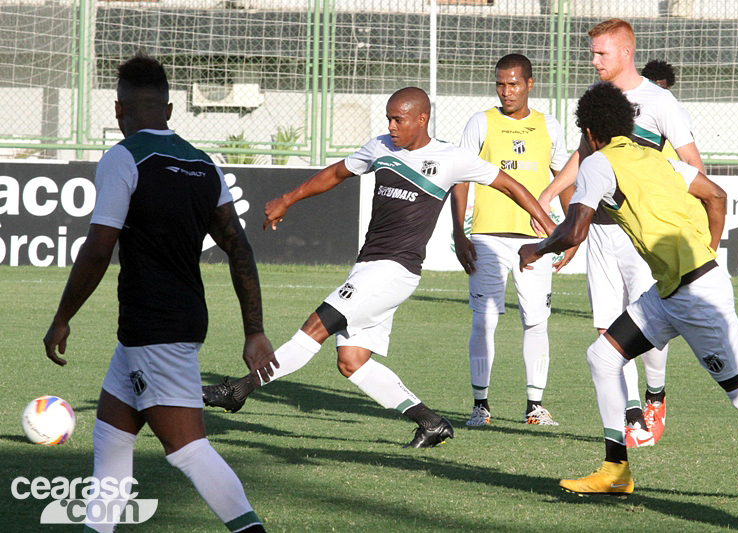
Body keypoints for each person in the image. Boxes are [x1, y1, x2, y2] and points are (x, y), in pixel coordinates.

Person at [202, 86, 557, 448]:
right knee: (351, 361)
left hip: (394, 270)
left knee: (315, 327)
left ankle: (239, 390)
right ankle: (431, 423)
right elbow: (338, 173)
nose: (391, 126)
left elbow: (510, 186)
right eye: (388, 118)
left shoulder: (451, 158)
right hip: (368, 267)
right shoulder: (380, 148)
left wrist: (549, 229)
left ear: (422, 119)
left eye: (398, 119)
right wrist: (288, 199)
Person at [519, 81, 738, 494]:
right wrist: (708, 251)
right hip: (670, 292)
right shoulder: (653, 157)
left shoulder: (598, 163)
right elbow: (716, 196)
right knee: (602, 356)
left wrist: (537, 247)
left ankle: (617, 469)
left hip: (695, 296)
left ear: (590, 133)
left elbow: (575, 230)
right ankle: (615, 471)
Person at [42, 54, 275, 532]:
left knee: (188, 451)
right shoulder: (202, 163)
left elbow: (98, 248)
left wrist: (62, 317)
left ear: (117, 110)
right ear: (169, 111)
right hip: (156, 329)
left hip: (156, 329)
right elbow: (240, 247)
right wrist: (255, 331)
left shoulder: (123, 157)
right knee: (111, 439)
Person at [537, 18, 706, 448]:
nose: (593, 61)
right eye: (592, 52)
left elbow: (694, 167)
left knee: (646, 326)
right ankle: (632, 413)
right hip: (601, 231)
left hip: (642, 234)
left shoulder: (659, 101)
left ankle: (655, 394)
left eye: (601, 53)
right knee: (608, 330)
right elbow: (585, 153)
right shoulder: (599, 101)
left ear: (626, 53)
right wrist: (551, 191)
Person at [450, 53, 571, 428]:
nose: (506, 91)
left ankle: (535, 406)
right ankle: (480, 406)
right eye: (500, 84)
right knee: (484, 321)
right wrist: (459, 232)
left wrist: (568, 233)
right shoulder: (480, 123)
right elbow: (460, 179)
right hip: (486, 238)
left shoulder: (548, 125)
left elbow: (565, 177)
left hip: (535, 242)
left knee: (536, 322)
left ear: (530, 84)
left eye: (514, 84)